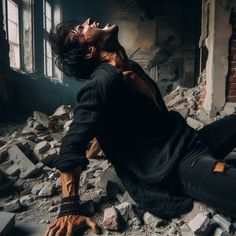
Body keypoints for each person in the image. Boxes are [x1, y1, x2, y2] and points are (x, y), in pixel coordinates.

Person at [45, 18, 236, 236]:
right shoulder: (101, 84)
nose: (87, 22)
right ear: (90, 51)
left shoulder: (131, 67)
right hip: (178, 165)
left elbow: (118, 120)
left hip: (191, 140)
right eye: (81, 29)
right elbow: (71, 145)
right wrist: (69, 208)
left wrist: (100, 142)